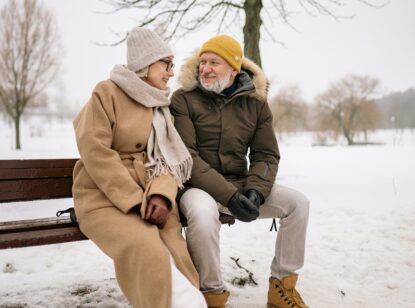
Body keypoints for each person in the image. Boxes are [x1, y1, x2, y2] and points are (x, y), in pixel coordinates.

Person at [170, 34, 310, 308]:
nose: (205, 68)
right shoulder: (183, 99)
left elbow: (266, 154)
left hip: (240, 183)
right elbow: (188, 158)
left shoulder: (256, 104)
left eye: (214, 63)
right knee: (202, 213)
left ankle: (281, 287)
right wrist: (231, 196)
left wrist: (256, 191)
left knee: (298, 204)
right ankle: (211, 295)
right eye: (203, 62)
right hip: (195, 187)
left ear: (234, 70)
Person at [72, 27, 207, 308]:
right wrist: (134, 200)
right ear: (147, 64)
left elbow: (167, 161)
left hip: (150, 196)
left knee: (175, 249)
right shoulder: (106, 92)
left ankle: (192, 302)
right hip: (104, 197)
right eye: (166, 64)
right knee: (145, 247)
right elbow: (94, 150)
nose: (171, 72)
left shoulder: (159, 105)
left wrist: (160, 196)